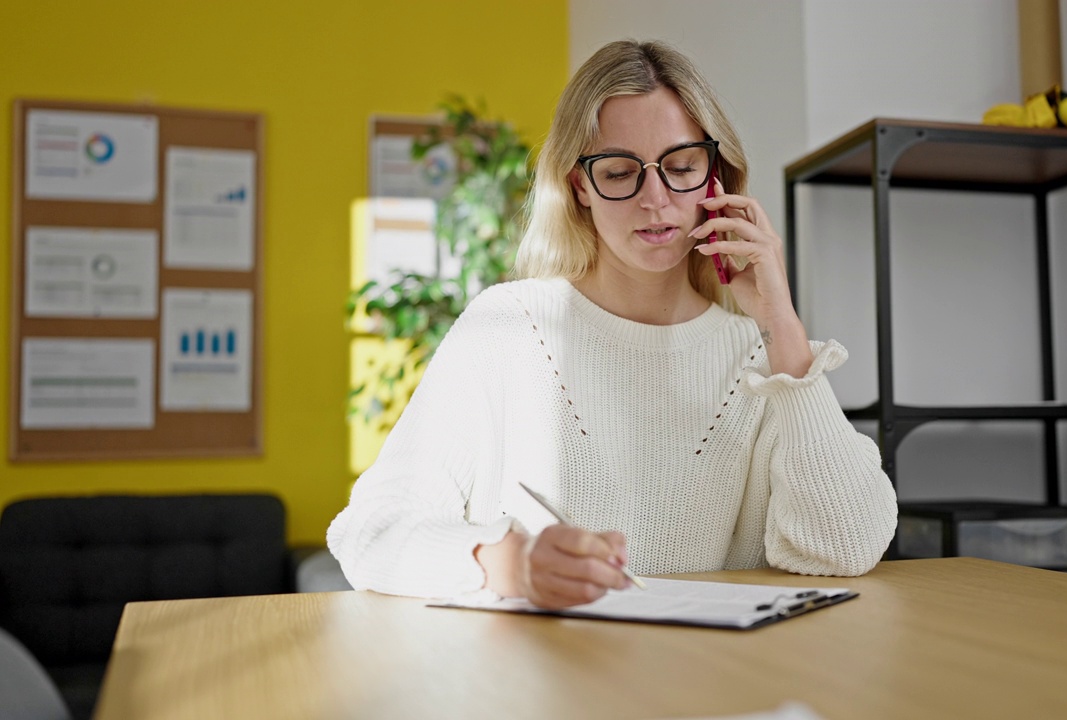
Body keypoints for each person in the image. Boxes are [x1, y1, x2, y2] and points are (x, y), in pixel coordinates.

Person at [328, 39, 897, 609]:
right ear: (579, 185)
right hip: (538, 679)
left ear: (714, 180)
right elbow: (371, 530)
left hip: (708, 682)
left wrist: (781, 322)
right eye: (621, 171)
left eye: (681, 168)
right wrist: (507, 565)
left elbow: (845, 546)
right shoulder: (507, 327)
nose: (655, 199)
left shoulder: (764, 357)